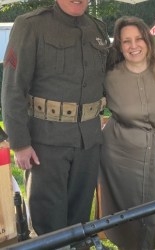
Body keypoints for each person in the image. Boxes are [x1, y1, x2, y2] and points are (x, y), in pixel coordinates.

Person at [1, 0, 109, 236]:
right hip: (45, 144)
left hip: (88, 143)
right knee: (49, 225)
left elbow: (110, 78)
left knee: (80, 223)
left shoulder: (98, 28)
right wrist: (20, 143)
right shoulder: (30, 25)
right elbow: (12, 89)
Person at [98, 16, 155, 250]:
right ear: (119, 46)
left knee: (153, 213)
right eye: (126, 41)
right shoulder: (110, 76)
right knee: (126, 214)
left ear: (148, 39)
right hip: (119, 152)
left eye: (138, 39)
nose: (133, 46)